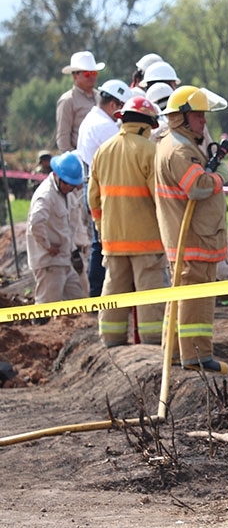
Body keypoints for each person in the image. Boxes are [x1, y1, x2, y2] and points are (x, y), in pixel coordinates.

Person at [154, 85, 228, 374]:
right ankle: (197, 355)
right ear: (182, 117)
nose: (204, 121)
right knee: (196, 299)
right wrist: (219, 176)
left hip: (189, 237)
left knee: (181, 295)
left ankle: (175, 353)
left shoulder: (176, 143)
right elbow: (196, 187)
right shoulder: (180, 150)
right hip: (195, 239)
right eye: (199, 116)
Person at [89, 96, 166, 347]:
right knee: (149, 292)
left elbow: (93, 199)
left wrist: (102, 229)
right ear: (146, 125)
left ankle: (111, 338)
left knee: (114, 289)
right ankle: (152, 341)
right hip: (147, 241)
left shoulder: (103, 151)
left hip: (113, 240)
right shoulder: (150, 151)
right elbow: (161, 199)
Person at [77, 79, 134, 297]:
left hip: (93, 185)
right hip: (104, 189)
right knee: (104, 244)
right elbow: (124, 155)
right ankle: (100, 292)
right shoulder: (105, 127)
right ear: (113, 105)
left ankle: (97, 293)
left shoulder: (91, 119)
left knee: (99, 241)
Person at [26, 152, 88, 305]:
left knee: (78, 299)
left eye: (72, 184)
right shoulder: (46, 196)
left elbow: (70, 222)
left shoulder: (66, 193)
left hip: (64, 259)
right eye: (66, 183)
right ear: (56, 175)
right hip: (49, 262)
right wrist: (47, 246)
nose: (69, 187)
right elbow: (36, 223)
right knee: (47, 305)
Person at [56, 51, 104, 153]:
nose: (92, 77)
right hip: (80, 156)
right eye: (87, 74)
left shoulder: (101, 97)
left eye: (94, 73)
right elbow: (63, 136)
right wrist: (72, 159)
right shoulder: (68, 100)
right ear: (75, 76)